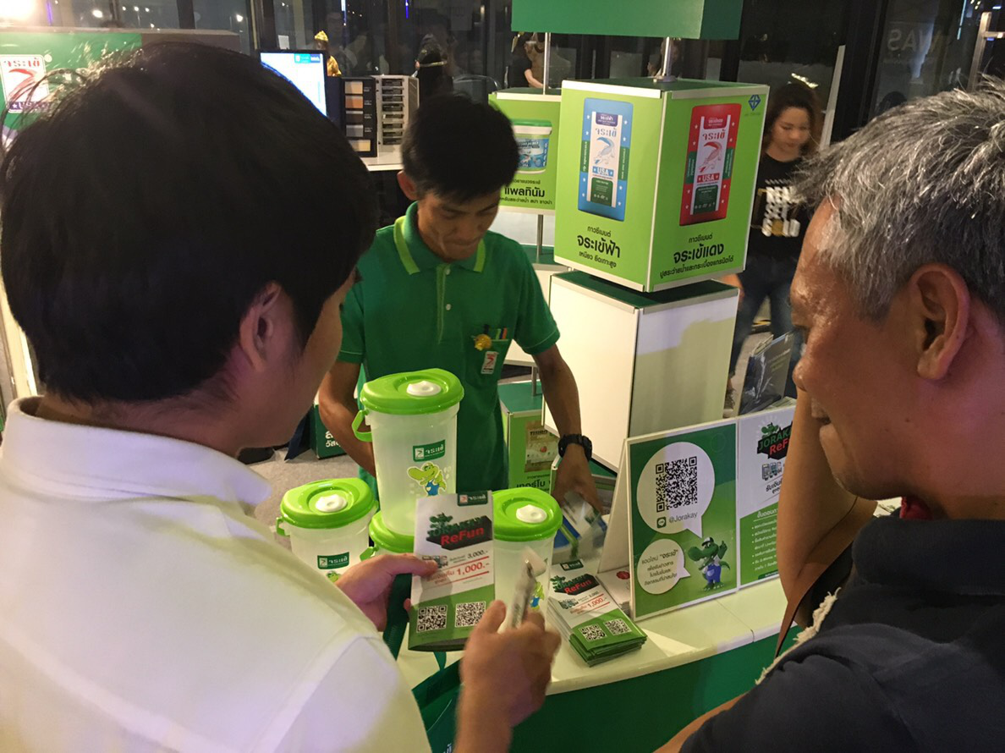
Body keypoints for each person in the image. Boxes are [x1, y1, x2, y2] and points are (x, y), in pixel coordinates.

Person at [0, 43, 559, 752]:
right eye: (337, 301)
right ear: (264, 328)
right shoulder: (327, 684)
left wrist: (316, 603)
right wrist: (485, 713)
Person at [661, 80, 1005, 751]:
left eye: (810, 323)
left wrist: (485, 719)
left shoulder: (855, 703)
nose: (800, 373)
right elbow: (817, 571)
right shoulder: (947, 525)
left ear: (933, 323)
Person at [319, 94, 600, 510]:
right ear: (409, 187)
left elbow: (553, 367)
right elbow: (333, 401)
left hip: (485, 487)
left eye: (487, 211)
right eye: (450, 214)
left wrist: (573, 445)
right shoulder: (365, 268)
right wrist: (394, 472)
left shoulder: (508, 264)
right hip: (394, 499)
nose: (469, 232)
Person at [725, 83, 819, 410]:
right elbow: (732, 219)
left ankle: (779, 410)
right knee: (735, 335)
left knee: (789, 343)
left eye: (803, 128)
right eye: (787, 127)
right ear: (771, 124)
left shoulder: (812, 170)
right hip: (750, 264)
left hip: (791, 268)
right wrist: (728, 271)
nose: (795, 136)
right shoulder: (753, 164)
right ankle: (723, 390)